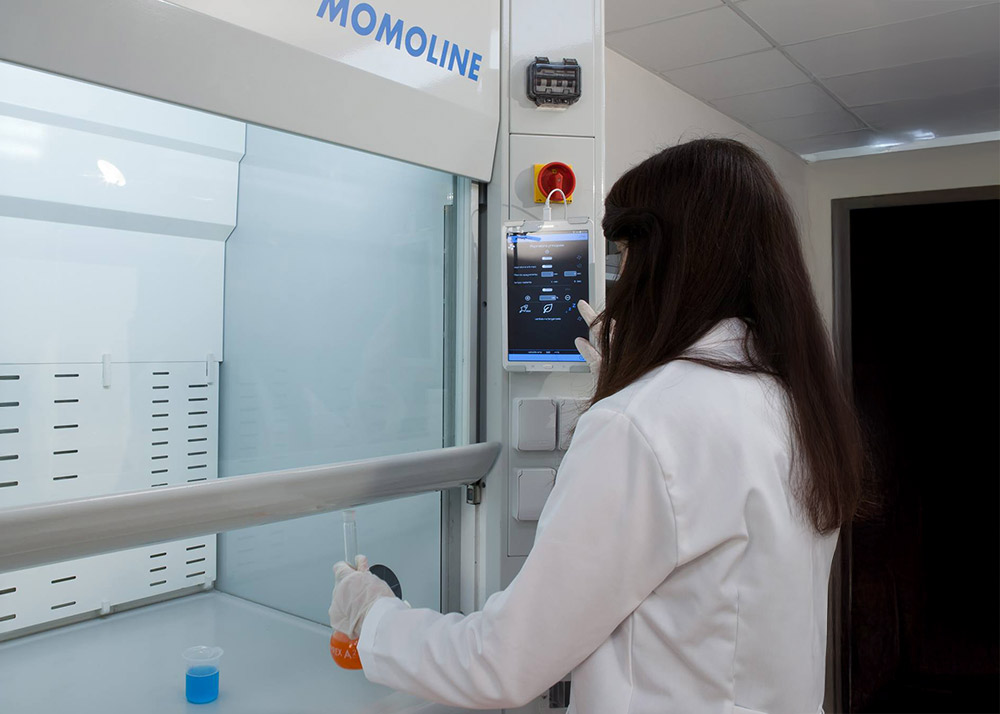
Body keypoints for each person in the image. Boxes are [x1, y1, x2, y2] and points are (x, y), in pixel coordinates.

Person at [328, 138, 864, 713]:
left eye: (624, 253)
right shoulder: (792, 402)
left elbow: (502, 663)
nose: (618, 276)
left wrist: (375, 618)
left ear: (666, 262)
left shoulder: (640, 426)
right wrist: (633, 385)